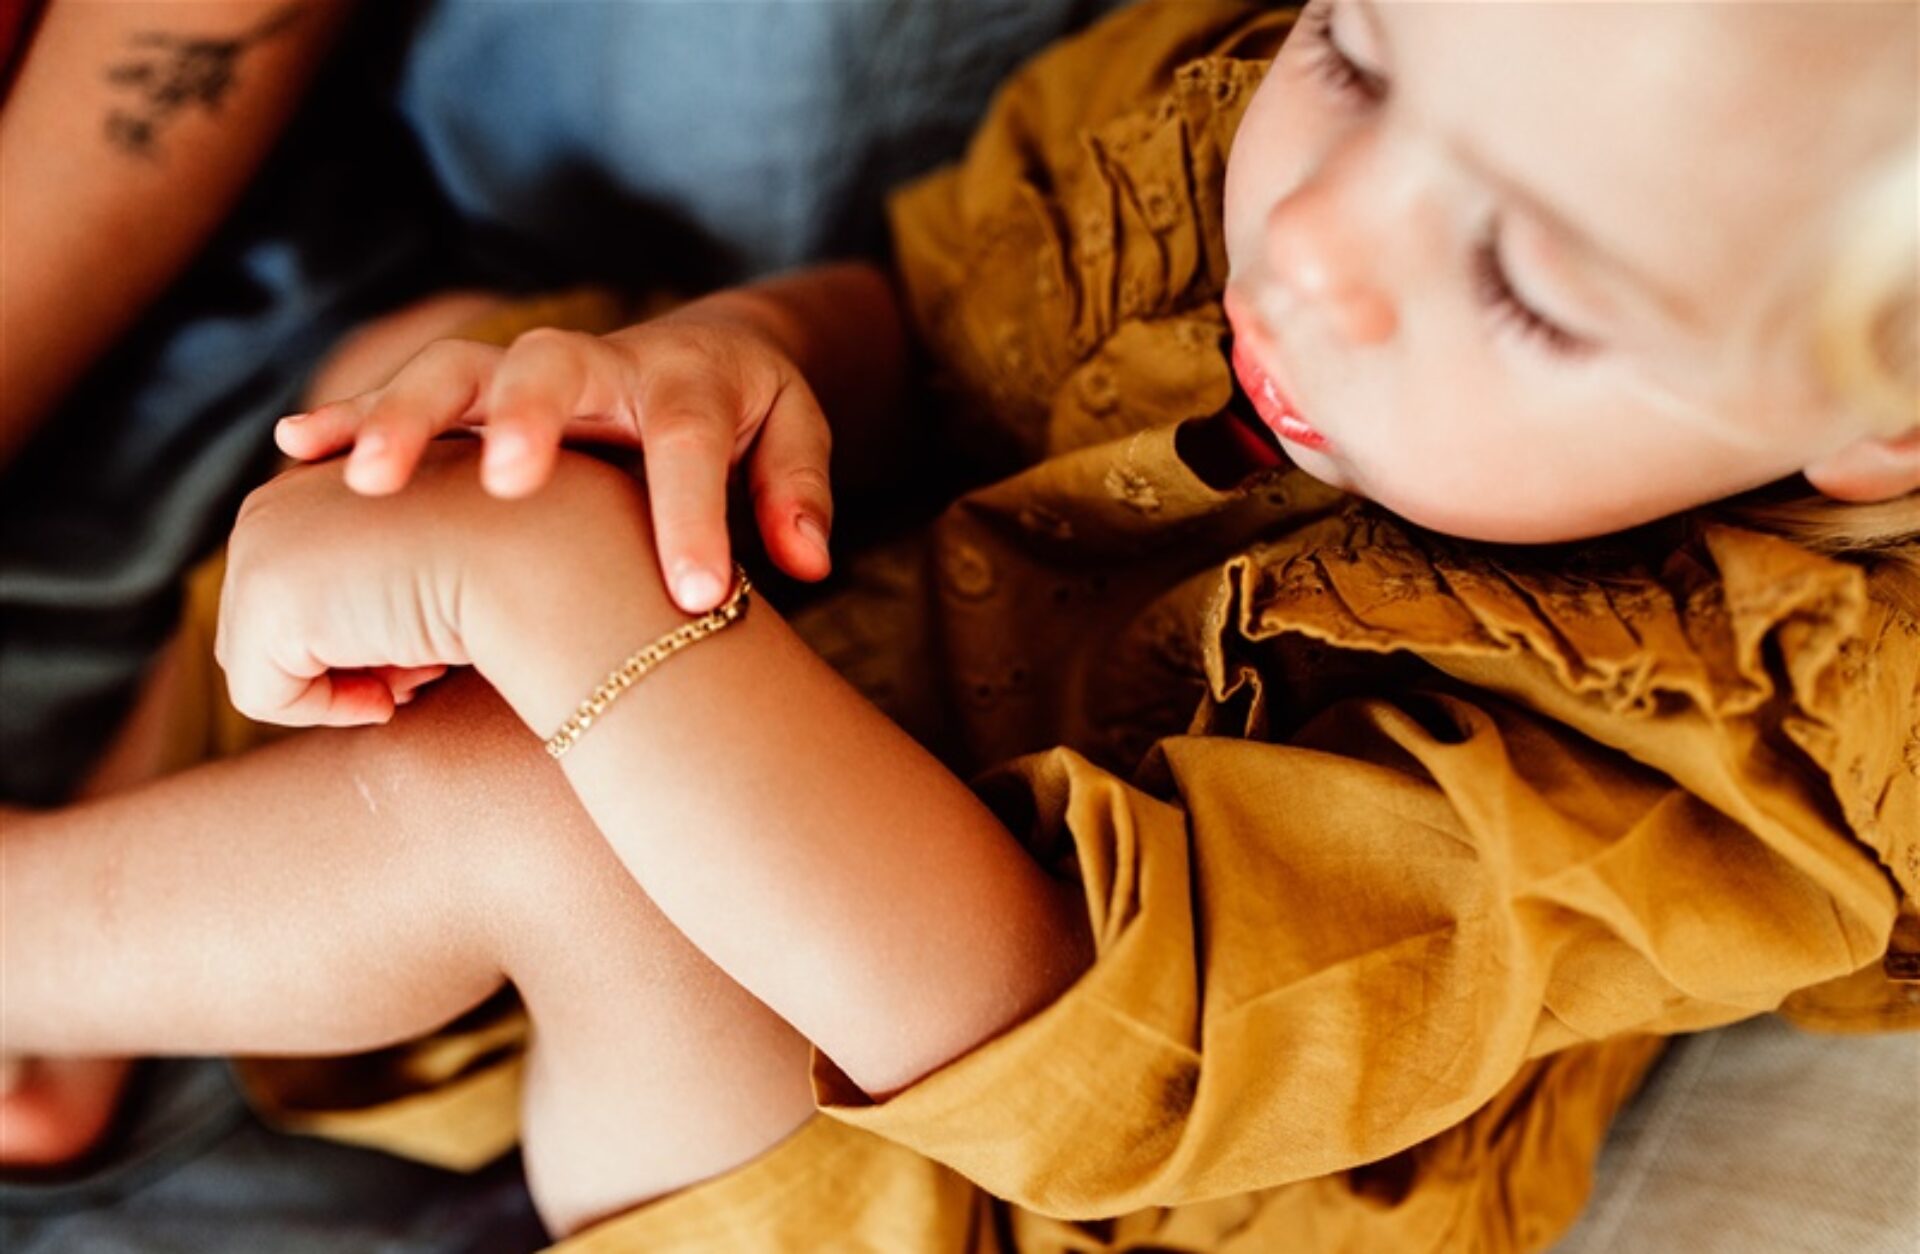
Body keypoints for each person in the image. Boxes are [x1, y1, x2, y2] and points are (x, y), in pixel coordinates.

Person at [5, 0, 1917, 1249]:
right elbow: (927, 309)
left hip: (955, 1134)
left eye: (1523, 280)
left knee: (518, 798)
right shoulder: (1279, 114)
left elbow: (1088, 1033)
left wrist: (580, 624)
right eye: (1360, 49)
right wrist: (724, 362)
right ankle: (99, 949)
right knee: (447, 391)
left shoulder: (1750, 752)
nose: (1317, 233)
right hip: (869, 686)